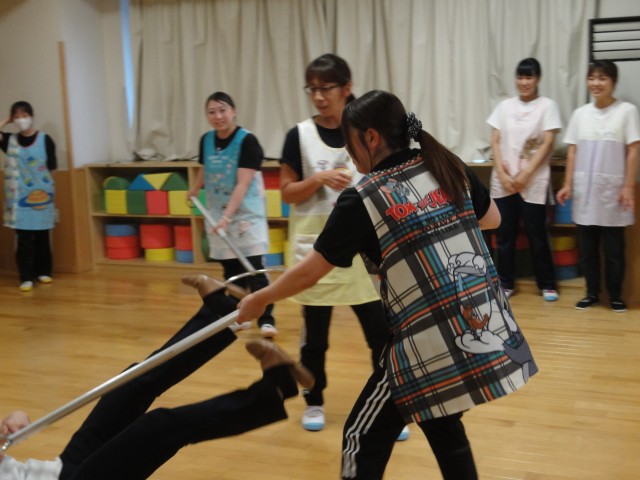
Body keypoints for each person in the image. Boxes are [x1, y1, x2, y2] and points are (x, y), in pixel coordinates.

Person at [239, 90, 538, 479]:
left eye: (349, 144)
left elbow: (311, 271)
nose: (349, 155)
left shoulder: (363, 198)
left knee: (361, 435)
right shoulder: (446, 166)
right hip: (479, 325)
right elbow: (492, 219)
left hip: (425, 347)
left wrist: (261, 298)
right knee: (443, 424)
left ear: (371, 137)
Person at [0, 274, 313, 479]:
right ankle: (273, 389)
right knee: (160, 427)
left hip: (55, 471)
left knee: (130, 385)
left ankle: (218, 315)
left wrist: (8, 425)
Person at [279, 54, 391, 433]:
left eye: (325, 88)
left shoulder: (368, 129)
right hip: (317, 249)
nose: (318, 96)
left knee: (380, 333)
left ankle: (388, 404)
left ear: (346, 88)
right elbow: (287, 193)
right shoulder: (298, 136)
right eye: (312, 89)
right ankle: (314, 401)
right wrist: (318, 179)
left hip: (364, 251)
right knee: (315, 339)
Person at [187, 91, 277, 337]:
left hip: (245, 215)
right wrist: (195, 188)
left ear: (233, 111)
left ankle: (267, 319)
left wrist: (227, 218)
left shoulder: (248, 141)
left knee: (254, 269)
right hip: (218, 213)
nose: (218, 116)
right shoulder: (206, 140)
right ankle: (240, 315)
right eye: (212, 112)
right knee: (231, 271)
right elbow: (205, 168)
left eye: (223, 110)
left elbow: (243, 183)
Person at [556, 60, 640, 313]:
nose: (596, 83)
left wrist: (628, 186)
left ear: (613, 82)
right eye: (592, 78)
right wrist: (567, 184)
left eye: (602, 78)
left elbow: (633, 150)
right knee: (587, 250)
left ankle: (615, 296)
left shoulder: (626, 111)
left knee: (614, 251)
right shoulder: (580, 114)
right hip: (585, 192)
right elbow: (572, 151)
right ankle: (591, 293)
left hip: (614, 193)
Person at [488, 58, 562, 301]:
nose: (524, 82)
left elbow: (548, 142)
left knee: (537, 234)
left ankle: (547, 284)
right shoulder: (504, 106)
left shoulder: (547, 106)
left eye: (529, 77)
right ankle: (505, 283)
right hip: (504, 182)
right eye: (520, 77)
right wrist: (503, 174)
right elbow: (495, 141)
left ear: (537, 79)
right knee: (504, 235)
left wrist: (525, 175)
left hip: (533, 181)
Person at [0, 101, 57, 293]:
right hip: (19, 198)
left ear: (32, 117)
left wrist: (46, 189)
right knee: (23, 239)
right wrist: (6, 120)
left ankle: (44, 272)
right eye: (17, 116)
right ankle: (26, 277)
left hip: (42, 196)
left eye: (24, 115)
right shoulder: (10, 141)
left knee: (42, 236)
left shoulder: (45, 139)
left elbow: (52, 168)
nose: (21, 119)